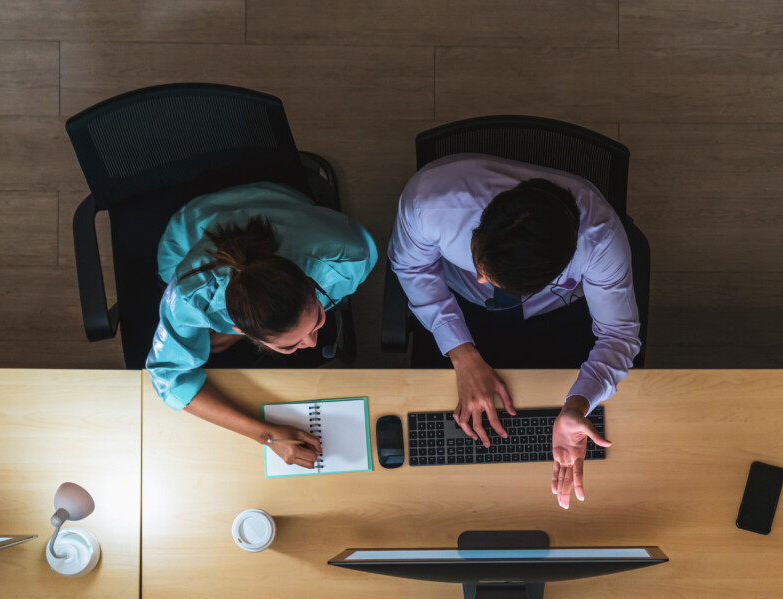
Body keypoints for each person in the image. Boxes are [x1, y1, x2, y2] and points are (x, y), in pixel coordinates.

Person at [389, 154, 642, 509]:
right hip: (457, 304)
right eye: (479, 262)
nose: (480, 277)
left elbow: (618, 336)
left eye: (489, 277)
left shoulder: (601, 242)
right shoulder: (429, 202)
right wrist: (461, 353)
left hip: (554, 314)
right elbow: (411, 266)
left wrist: (578, 403)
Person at [146, 182, 378, 466]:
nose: (313, 343)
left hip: (282, 200)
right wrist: (267, 435)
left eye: (318, 318)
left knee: (212, 347)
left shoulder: (347, 256)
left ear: (312, 285)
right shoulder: (189, 296)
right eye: (291, 344)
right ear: (240, 330)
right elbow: (169, 378)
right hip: (190, 231)